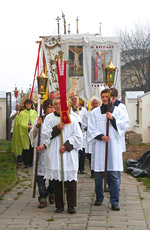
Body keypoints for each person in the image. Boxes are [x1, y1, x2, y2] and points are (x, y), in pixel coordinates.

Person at [87, 89, 129, 211]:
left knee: (114, 175)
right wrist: (101, 136)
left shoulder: (118, 111)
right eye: (103, 97)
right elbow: (91, 128)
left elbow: (125, 125)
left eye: (107, 97)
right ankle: (99, 197)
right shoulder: (95, 112)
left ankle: (114, 201)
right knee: (98, 175)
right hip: (101, 147)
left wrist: (113, 119)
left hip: (113, 147)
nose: (105, 99)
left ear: (111, 98)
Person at [42, 97, 83, 214]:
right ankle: (59, 205)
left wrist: (67, 145)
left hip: (68, 153)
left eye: (60, 104)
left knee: (70, 181)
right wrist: (56, 128)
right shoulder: (49, 119)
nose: (58, 106)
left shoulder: (72, 119)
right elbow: (45, 135)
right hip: (55, 152)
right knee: (56, 181)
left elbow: (78, 137)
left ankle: (71, 205)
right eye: (55, 104)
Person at [29, 99, 54, 208]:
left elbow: (55, 136)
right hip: (41, 153)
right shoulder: (39, 120)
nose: (52, 109)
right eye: (49, 107)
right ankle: (43, 196)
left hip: (51, 151)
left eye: (53, 106)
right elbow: (32, 135)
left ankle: (51, 192)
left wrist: (45, 145)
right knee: (40, 176)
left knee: (53, 175)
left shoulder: (55, 120)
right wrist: (37, 126)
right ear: (44, 109)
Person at [18, 99, 37, 168]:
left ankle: (31, 162)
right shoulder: (22, 113)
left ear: (31, 104)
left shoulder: (34, 112)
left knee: (32, 147)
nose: (28, 105)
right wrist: (26, 126)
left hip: (32, 130)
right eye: (27, 104)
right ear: (25, 105)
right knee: (26, 147)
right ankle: (26, 163)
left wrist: (34, 126)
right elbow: (19, 123)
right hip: (25, 132)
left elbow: (36, 120)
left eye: (29, 104)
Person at [70, 95, 87, 174]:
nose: (74, 101)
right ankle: (74, 168)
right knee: (74, 151)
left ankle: (81, 167)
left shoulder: (83, 110)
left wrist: (84, 128)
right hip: (72, 133)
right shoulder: (70, 110)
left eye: (75, 99)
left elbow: (86, 120)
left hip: (82, 132)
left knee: (82, 152)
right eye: (73, 99)